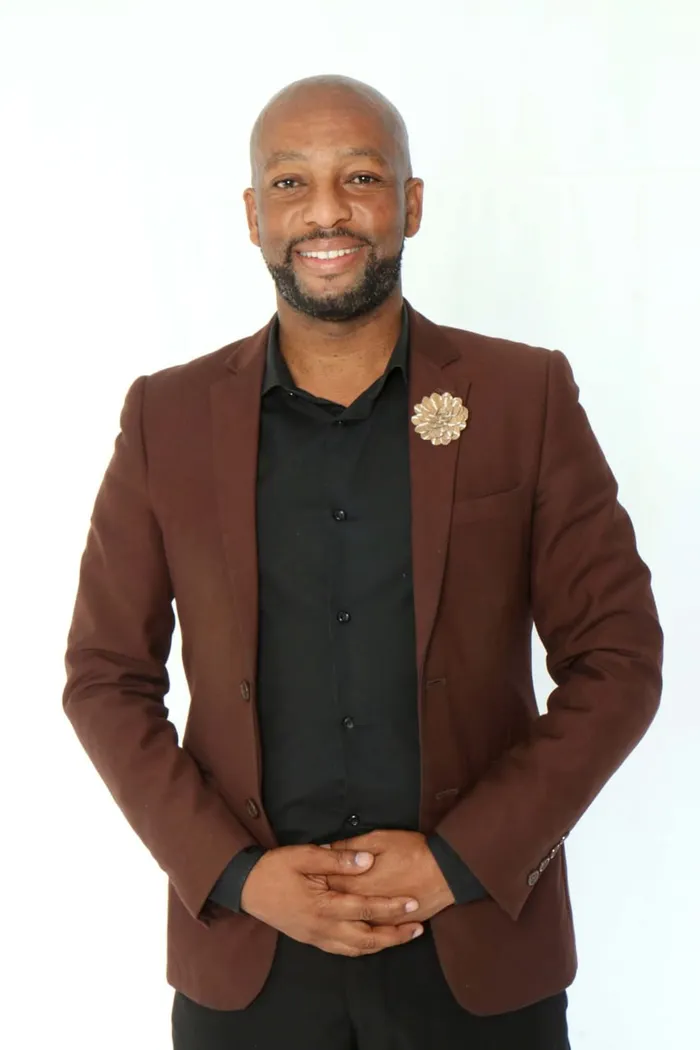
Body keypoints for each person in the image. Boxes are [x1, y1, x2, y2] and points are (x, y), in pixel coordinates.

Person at [62, 74, 663, 1049]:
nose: (327, 211)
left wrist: (459, 862)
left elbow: (619, 660)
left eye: (362, 177)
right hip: (248, 962)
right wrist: (235, 876)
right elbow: (104, 677)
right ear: (254, 217)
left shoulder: (524, 396)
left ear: (410, 204)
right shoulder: (163, 419)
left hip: (478, 953)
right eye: (290, 184)